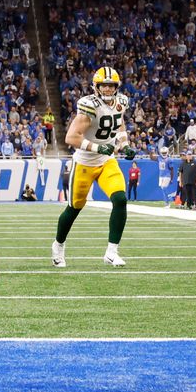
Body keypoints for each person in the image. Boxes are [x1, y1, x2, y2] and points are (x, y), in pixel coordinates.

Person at [52, 67, 135, 268]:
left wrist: (124, 144)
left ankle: (111, 252)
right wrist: (98, 147)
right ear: (96, 87)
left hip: (106, 161)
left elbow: (119, 125)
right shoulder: (88, 106)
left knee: (120, 199)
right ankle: (58, 245)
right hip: (85, 163)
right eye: (104, 85)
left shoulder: (121, 102)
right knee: (74, 208)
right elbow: (71, 137)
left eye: (111, 86)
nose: (107, 89)